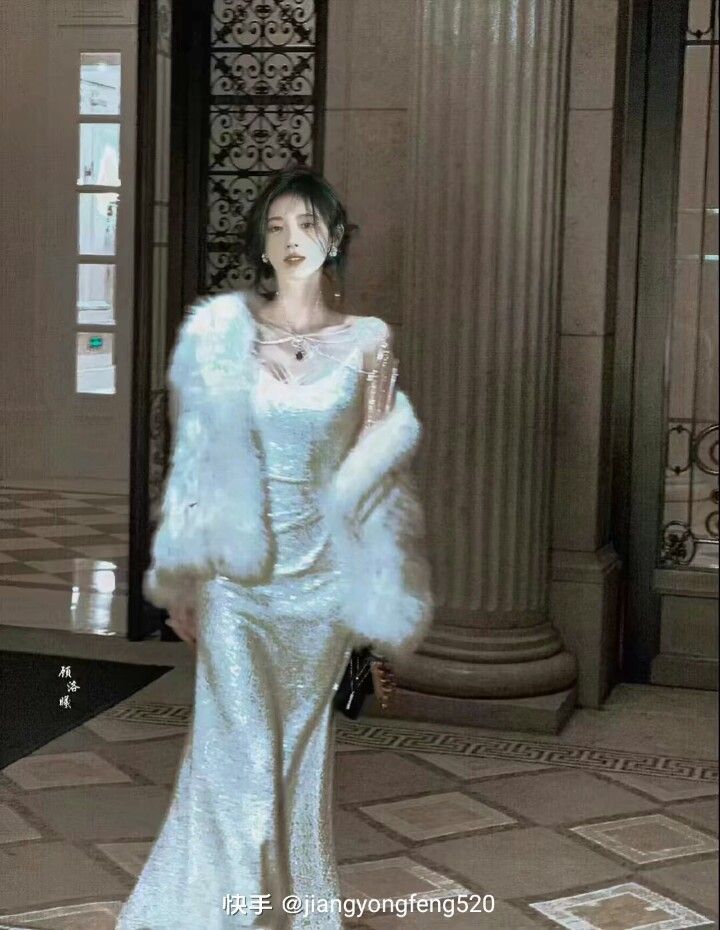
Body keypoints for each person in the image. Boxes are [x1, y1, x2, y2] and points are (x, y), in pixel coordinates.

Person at [115, 165, 434, 929]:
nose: (292, 239)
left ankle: (290, 911)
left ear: (335, 239)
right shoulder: (225, 335)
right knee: (240, 758)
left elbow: (374, 478)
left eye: (308, 225)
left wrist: (373, 594)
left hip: (321, 588)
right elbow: (199, 461)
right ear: (261, 244)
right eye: (277, 226)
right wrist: (184, 577)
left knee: (295, 759)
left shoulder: (369, 343)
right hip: (239, 582)